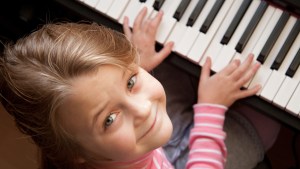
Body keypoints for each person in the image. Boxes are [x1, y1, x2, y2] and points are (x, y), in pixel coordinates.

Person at [0, 7, 280, 169]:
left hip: (148, 152)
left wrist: (138, 61)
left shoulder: (105, 144)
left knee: (170, 60)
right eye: (108, 120)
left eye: (130, 81)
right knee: (268, 123)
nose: (144, 109)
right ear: (76, 154)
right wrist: (211, 109)